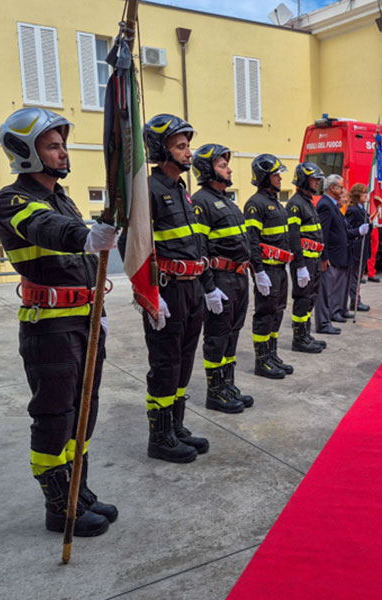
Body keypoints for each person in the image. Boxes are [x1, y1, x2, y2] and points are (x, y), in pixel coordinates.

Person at [0, 107, 118, 536]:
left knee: (85, 412)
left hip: (84, 321)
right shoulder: (13, 200)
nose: (63, 152)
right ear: (27, 152)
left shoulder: (61, 197)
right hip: (50, 328)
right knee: (54, 416)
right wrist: (83, 235)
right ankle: (58, 506)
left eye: (62, 144)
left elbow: (61, 224)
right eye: (52, 145)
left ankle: (77, 490)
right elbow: (45, 228)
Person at [141, 114, 210, 463]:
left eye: (187, 145)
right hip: (166, 291)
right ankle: (159, 437)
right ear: (160, 149)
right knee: (166, 364)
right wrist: (148, 295)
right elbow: (135, 247)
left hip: (192, 287)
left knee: (183, 363)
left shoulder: (182, 191)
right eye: (180, 146)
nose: (188, 152)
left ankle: (176, 426)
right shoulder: (148, 190)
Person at [190, 144, 251, 415]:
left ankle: (228, 384)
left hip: (238, 278)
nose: (228, 169)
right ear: (207, 169)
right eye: (222, 165)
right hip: (221, 280)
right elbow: (199, 248)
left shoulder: (228, 200)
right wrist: (209, 287)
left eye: (227, 164)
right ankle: (215, 392)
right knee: (216, 336)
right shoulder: (201, 201)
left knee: (232, 334)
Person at [244, 153, 294, 377]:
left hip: (280, 270)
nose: (280, 178)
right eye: (276, 174)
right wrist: (259, 272)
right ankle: (261, 360)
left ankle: (272, 354)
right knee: (264, 314)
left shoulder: (276, 202)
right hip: (268, 270)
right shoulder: (255, 204)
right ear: (264, 177)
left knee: (278, 312)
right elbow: (252, 241)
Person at [315, 174, 367, 332]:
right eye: (341, 187)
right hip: (331, 255)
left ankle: (335, 313)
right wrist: (323, 256)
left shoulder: (333, 205)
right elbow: (322, 233)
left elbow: (341, 231)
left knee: (337, 287)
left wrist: (357, 232)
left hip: (341, 254)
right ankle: (326, 320)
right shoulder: (325, 205)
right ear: (332, 188)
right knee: (327, 291)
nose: (344, 190)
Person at [285, 162, 328, 354]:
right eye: (314, 179)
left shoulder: (308, 202)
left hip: (314, 260)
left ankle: (306, 334)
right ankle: (299, 339)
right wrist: (300, 265)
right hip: (304, 262)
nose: (317, 182)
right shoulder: (295, 204)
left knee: (311, 297)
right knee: (302, 299)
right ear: (303, 180)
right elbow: (293, 236)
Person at [344, 183, 371, 313]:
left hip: (363, 247)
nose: (366, 195)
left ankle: (356, 299)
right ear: (357, 195)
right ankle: (355, 301)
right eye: (363, 193)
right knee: (355, 276)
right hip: (356, 248)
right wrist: (358, 231)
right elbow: (347, 230)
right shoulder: (353, 210)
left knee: (359, 276)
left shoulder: (362, 208)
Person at [366, 191, 382, 281]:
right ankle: (361, 273)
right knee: (365, 252)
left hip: (375, 228)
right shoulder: (364, 204)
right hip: (367, 229)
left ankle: (371, 273)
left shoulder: (375, 202)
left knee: (374, 252)